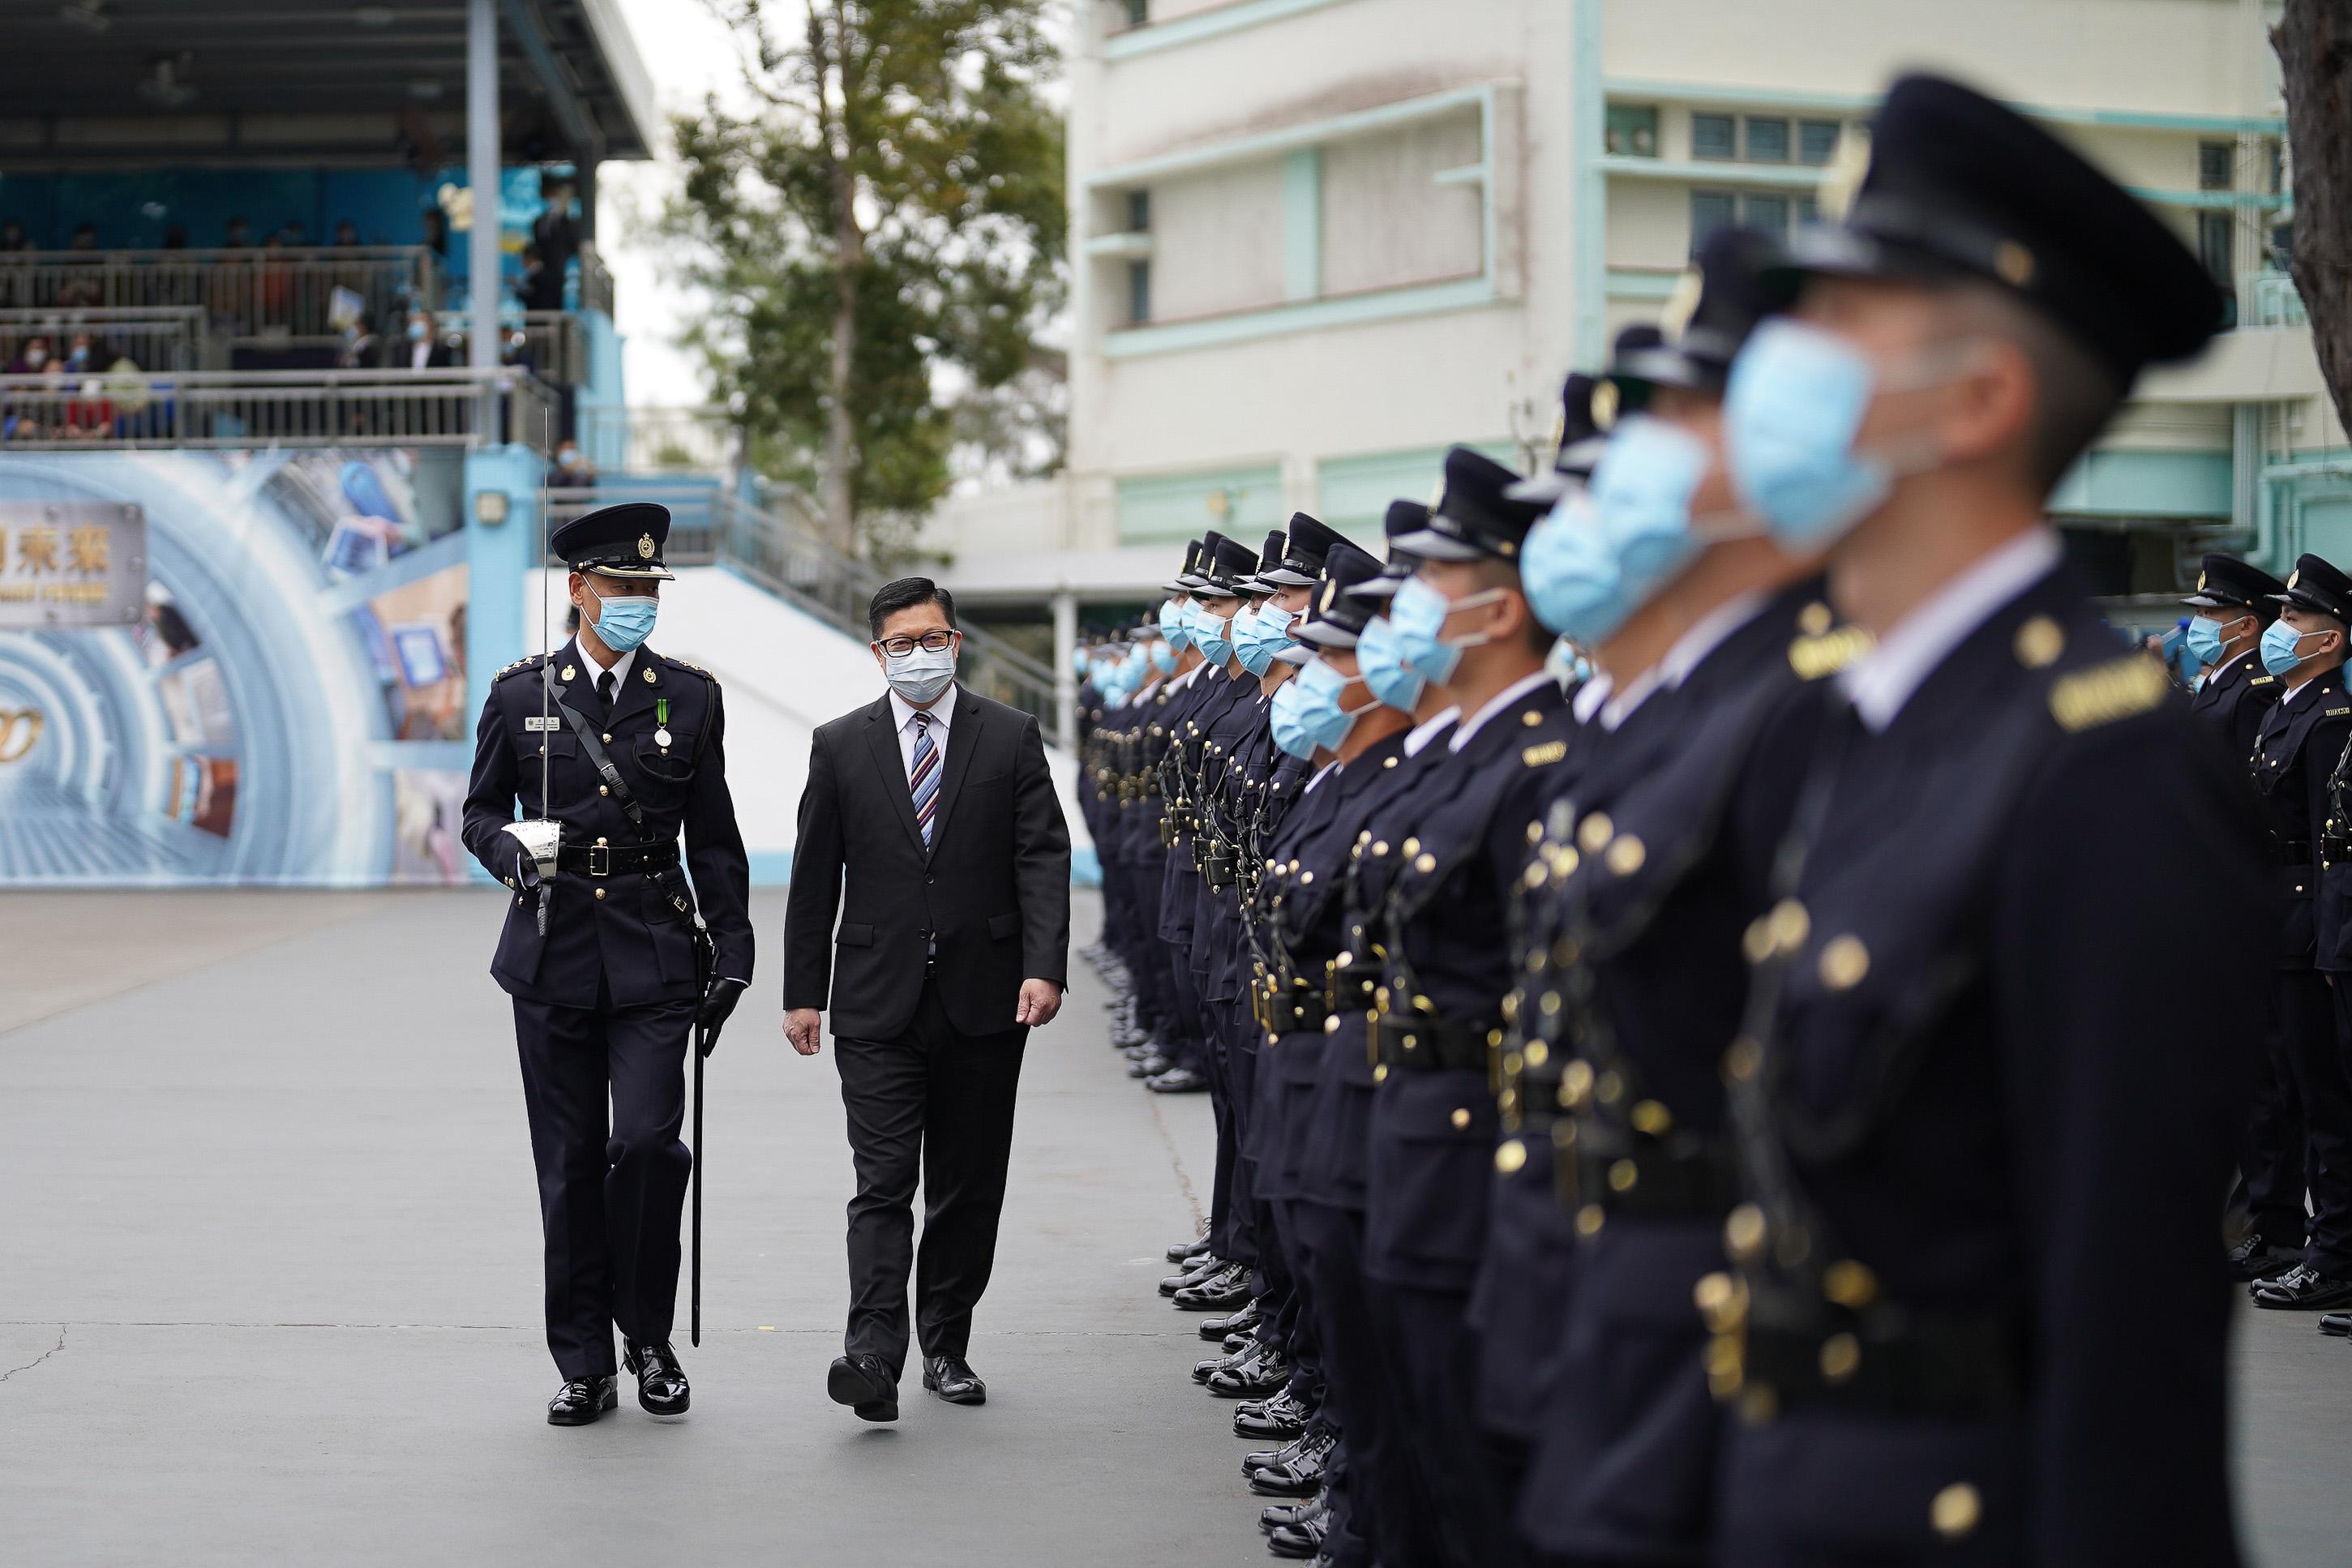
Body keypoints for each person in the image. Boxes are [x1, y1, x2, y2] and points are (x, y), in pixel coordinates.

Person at [1704, 73, 2262, 1565]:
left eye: (1835, 317)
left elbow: (2126, 1361)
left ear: (1981, 397)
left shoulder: (2102, 771)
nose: (1775, 360)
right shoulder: (1869, 725)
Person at [458, 501, 754, 1426]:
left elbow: (714, 836)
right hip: (550, 955)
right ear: (580, 591)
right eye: (622, 586)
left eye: (648, 588)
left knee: (648, 1145)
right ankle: (584, 1359)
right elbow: (476, 811)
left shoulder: (691, 695)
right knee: (570, 1163)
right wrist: (506, 848)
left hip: (656, 952)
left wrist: (735, 949)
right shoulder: (520, 693)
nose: (638, 601)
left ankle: (648, 1334)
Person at [783, 576, 1073, 1421]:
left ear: (957, 641)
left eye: (933, 638)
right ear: (878, 653)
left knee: (967, 1182)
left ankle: (945, 1341)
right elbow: (812, 880)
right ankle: (872, 1351)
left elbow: (1042, 858)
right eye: (902, 642)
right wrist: (805, 992)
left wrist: (1044, 964)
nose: (920, 654)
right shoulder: (840, 745)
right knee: (881, 1183)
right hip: (875, 1004)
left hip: (988, 999)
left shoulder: (1012, 736)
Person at [2243, 556, 2352, 1309]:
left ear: (2331, 639)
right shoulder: (2284, 709)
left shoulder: (2330, 718)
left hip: (2305, 931)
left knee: (2323, 1100)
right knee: (2283, 1088)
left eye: (2295, 621)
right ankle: (2315, 1246)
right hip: (2272, 926)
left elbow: (2325, 846)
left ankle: (2331, 1253)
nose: (2281, 631)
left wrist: (2324, 940)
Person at [2183, 553, 2286, 765]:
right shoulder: (2219, 679)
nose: (2198, 622)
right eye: (2199, 612)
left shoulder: (2257, 690)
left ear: (2247, 626)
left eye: (2209, 613)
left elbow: (2249, 781)